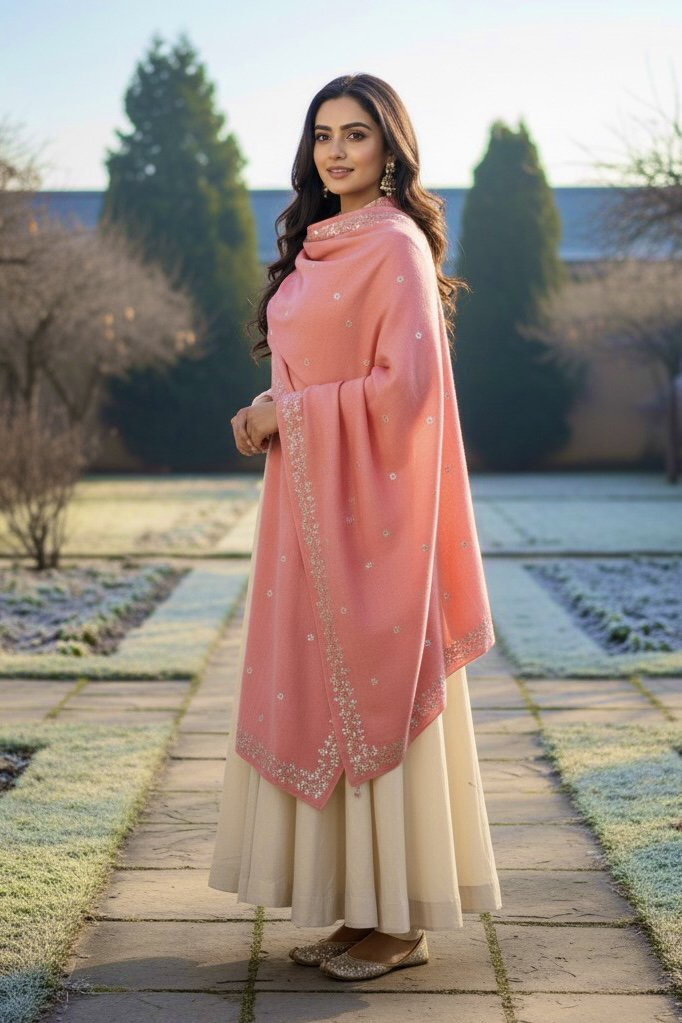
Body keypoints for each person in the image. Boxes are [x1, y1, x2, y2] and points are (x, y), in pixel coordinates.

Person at [208, 72, 502, 982]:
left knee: (377, 689)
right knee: (322, 693)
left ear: (390, 149)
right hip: (308, 517)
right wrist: (272, 405)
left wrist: (287, 417)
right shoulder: (319, 244)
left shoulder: (396, 245)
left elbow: (406, 392)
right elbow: (320, 372)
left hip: (376, 524)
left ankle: (400, 921)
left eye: (357, 135)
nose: (336, 151)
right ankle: (356, 908)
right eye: (323, 135)